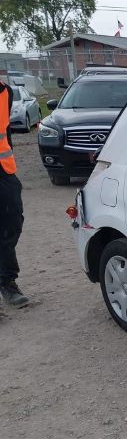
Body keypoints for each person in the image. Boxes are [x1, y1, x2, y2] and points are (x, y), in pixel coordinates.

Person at [0, 77, 28, 308]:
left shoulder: (5, 92)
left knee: (12, 223)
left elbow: (5, 130)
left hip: (3, 171)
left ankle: (6, 281)